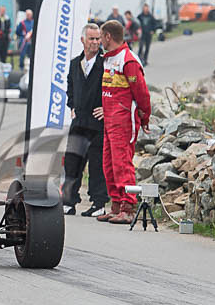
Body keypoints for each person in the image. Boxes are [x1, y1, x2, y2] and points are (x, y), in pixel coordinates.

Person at [96, 20, 151, 224]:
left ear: (108, 37)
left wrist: (145, 117)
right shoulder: (108, 59)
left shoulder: (128, 61)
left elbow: (142, 94)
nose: (100, 41)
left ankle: (128, 207)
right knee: (109, 165)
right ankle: (116, 204)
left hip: (124, 122)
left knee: (122, 164)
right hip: (110, 121)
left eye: (101, 36)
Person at [63, 23, 108, 217]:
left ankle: (99, 204)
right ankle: (68, 202)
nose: (96, 42)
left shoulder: (106, 63)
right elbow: (70, 87)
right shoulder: (75, 63)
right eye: (92, 39)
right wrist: (72, 106)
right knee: (72, 163)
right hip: (79, 121)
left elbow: (114, 90)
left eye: (98, 39)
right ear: (83, 40)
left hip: (97, 124)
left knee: (97, 165)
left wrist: (107, 108)